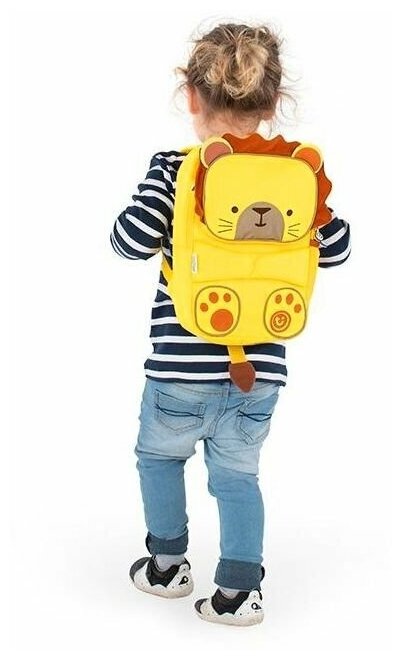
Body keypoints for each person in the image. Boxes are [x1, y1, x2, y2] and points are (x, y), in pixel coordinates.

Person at [110, 23, 351, 626]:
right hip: (260, 374)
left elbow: (128, 240)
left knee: (159, 459)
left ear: (191, 97)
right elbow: (339, 248)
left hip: (178, 370)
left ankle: (167, 566)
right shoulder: (298, 174)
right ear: (273, 103)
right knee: (239, 477)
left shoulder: (176, 168)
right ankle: (240, 593)